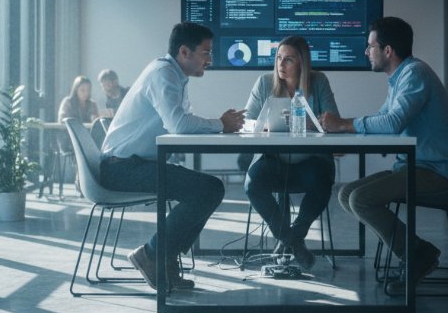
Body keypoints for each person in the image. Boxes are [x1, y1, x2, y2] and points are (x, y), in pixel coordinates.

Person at [320, 17, 448, 295]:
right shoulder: (400, 78)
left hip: (436, 172)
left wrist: (344, 125)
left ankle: (416, 255)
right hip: (415, 166)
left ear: (388, 51)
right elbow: (382, 120)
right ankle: (417, 251)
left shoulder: (415, 74)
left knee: (360, 199)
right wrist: (344, 129)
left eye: (370, 46)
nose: (366, 52)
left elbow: (392, 123)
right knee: (347, 194)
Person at [100, 22, 245, 291]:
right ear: (184, 52)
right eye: (206, 53)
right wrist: (220, 124)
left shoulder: (174, 75)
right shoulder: (163, 74)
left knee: (209, 188)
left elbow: (181, 123)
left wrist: (218, 124)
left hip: (134, 164)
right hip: (121, 168)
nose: (210, 60)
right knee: (208, 189)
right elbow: (179, 124)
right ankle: (152, 254)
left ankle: (162, 257)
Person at [243, 36, 340, 270]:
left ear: (302, 63)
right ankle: (293, 241)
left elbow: (333, 120)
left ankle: (292, 237)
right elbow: (247, 122)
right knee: (253, 183)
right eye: (278, 58)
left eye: (288, 59)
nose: (281, 64)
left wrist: (313, 123)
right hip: (273, 160)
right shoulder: (264, 83)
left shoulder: (318, 81)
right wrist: (264, 126)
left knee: (322, 179)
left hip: (310, 162)